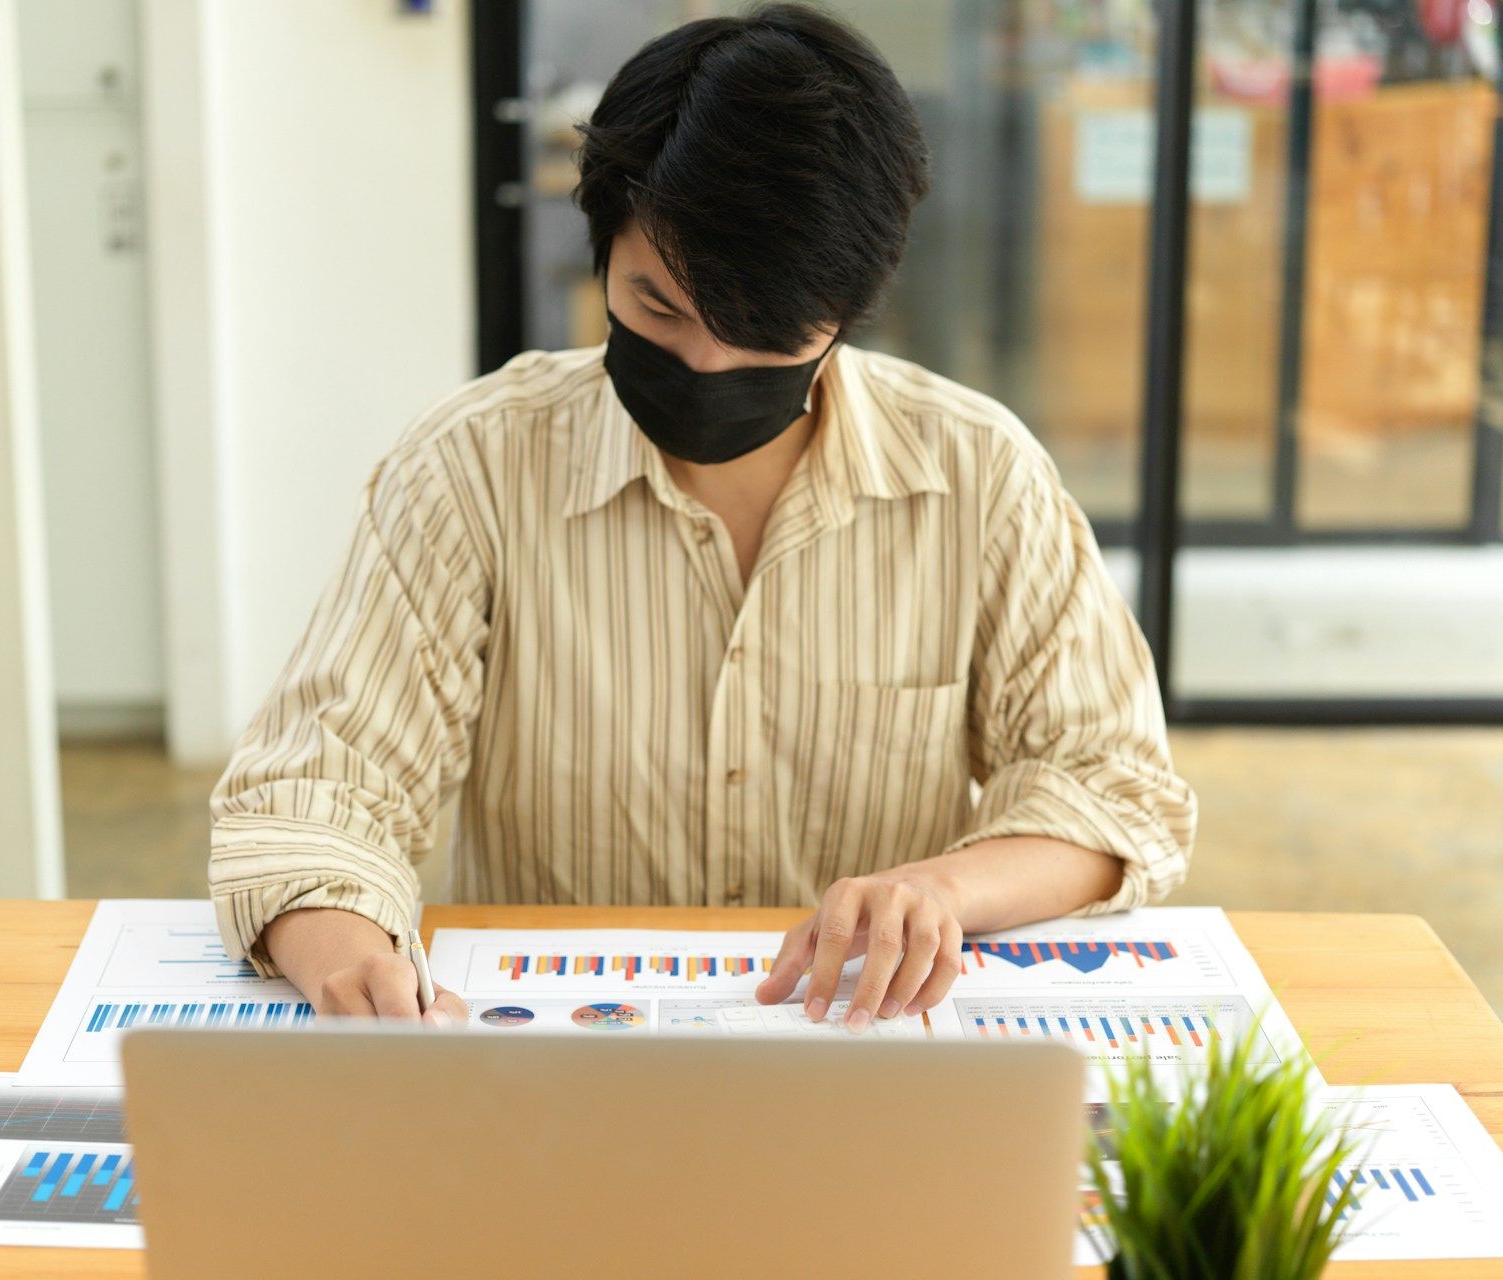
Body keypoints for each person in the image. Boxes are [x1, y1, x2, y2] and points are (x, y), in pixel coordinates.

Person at [207, 2, 1196, 1034]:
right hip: (561, 1066)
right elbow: (313, 790)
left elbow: (1113, 787)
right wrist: (351, 962)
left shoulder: (980, 476)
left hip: (860, 1061)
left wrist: (944, 890)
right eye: (658, 308)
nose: (708, 364)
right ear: (602, 252)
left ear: (851, 306)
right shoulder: (473, 467)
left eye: (762, 330)